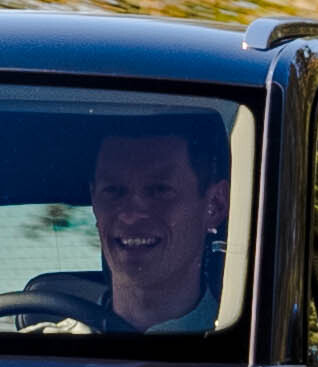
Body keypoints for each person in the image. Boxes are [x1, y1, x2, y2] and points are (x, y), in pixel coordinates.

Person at [25, 119, 232, 333]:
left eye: (159, 190)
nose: (130, 216)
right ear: (94, 203)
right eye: (113, 191)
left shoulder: (251, 345)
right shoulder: (35, 354)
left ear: (214, 206)